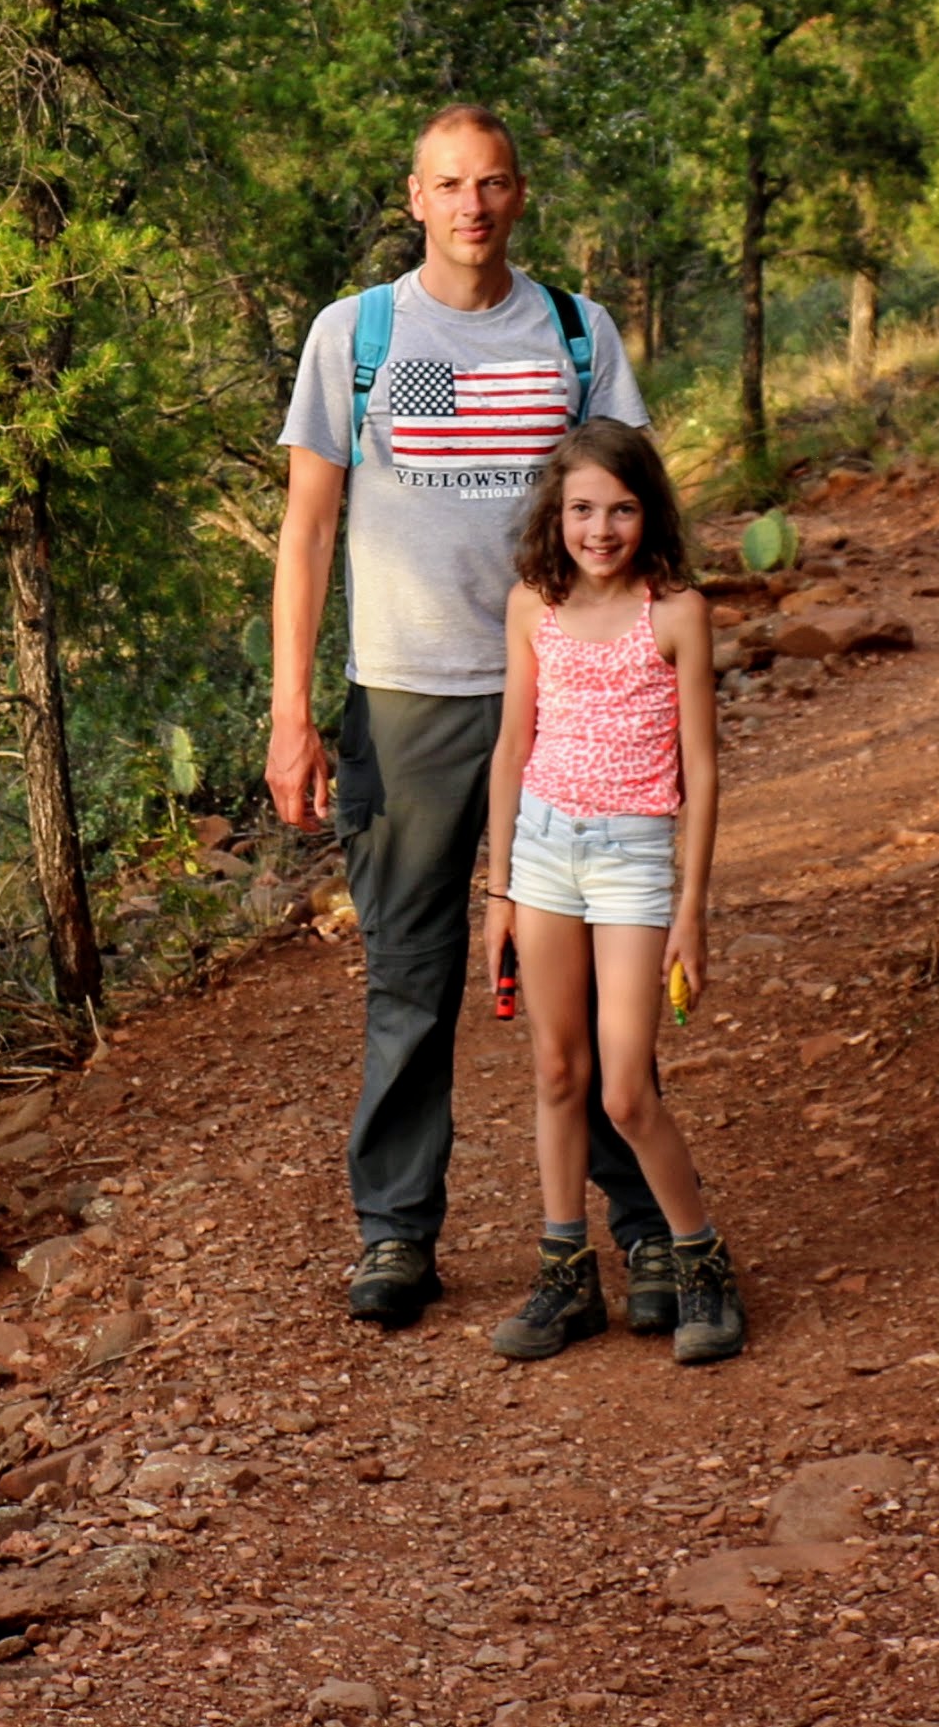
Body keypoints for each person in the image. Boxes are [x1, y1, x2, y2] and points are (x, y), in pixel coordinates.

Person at [268, 103, 674, 1330]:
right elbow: (307, 529)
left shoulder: (571, 331)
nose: (471, 206)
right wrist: (293, 710)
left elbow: (636, 510)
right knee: (408, 973)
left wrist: (657, 672)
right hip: (405, 700)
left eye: (491, 183)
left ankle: (645, 1233)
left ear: (518, 194)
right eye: (448, 184)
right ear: (414, 197)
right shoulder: (362, 336)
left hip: (566, 695)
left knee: (597, 976)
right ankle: (395, 1235)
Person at [471, 420, 743, 1363]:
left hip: (632, 860)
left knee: (625, 1090)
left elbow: (702, 771)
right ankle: (565, 1275)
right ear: (558, 513)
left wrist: (690, 910)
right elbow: (512, 748)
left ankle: (698, 1258)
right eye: (583, 508)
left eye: (621, 508)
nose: (600, 528)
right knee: (556, 1070)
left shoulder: (676, 612)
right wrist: (498, 890)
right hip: (542, 851)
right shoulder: (531, 607)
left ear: (648, 513)